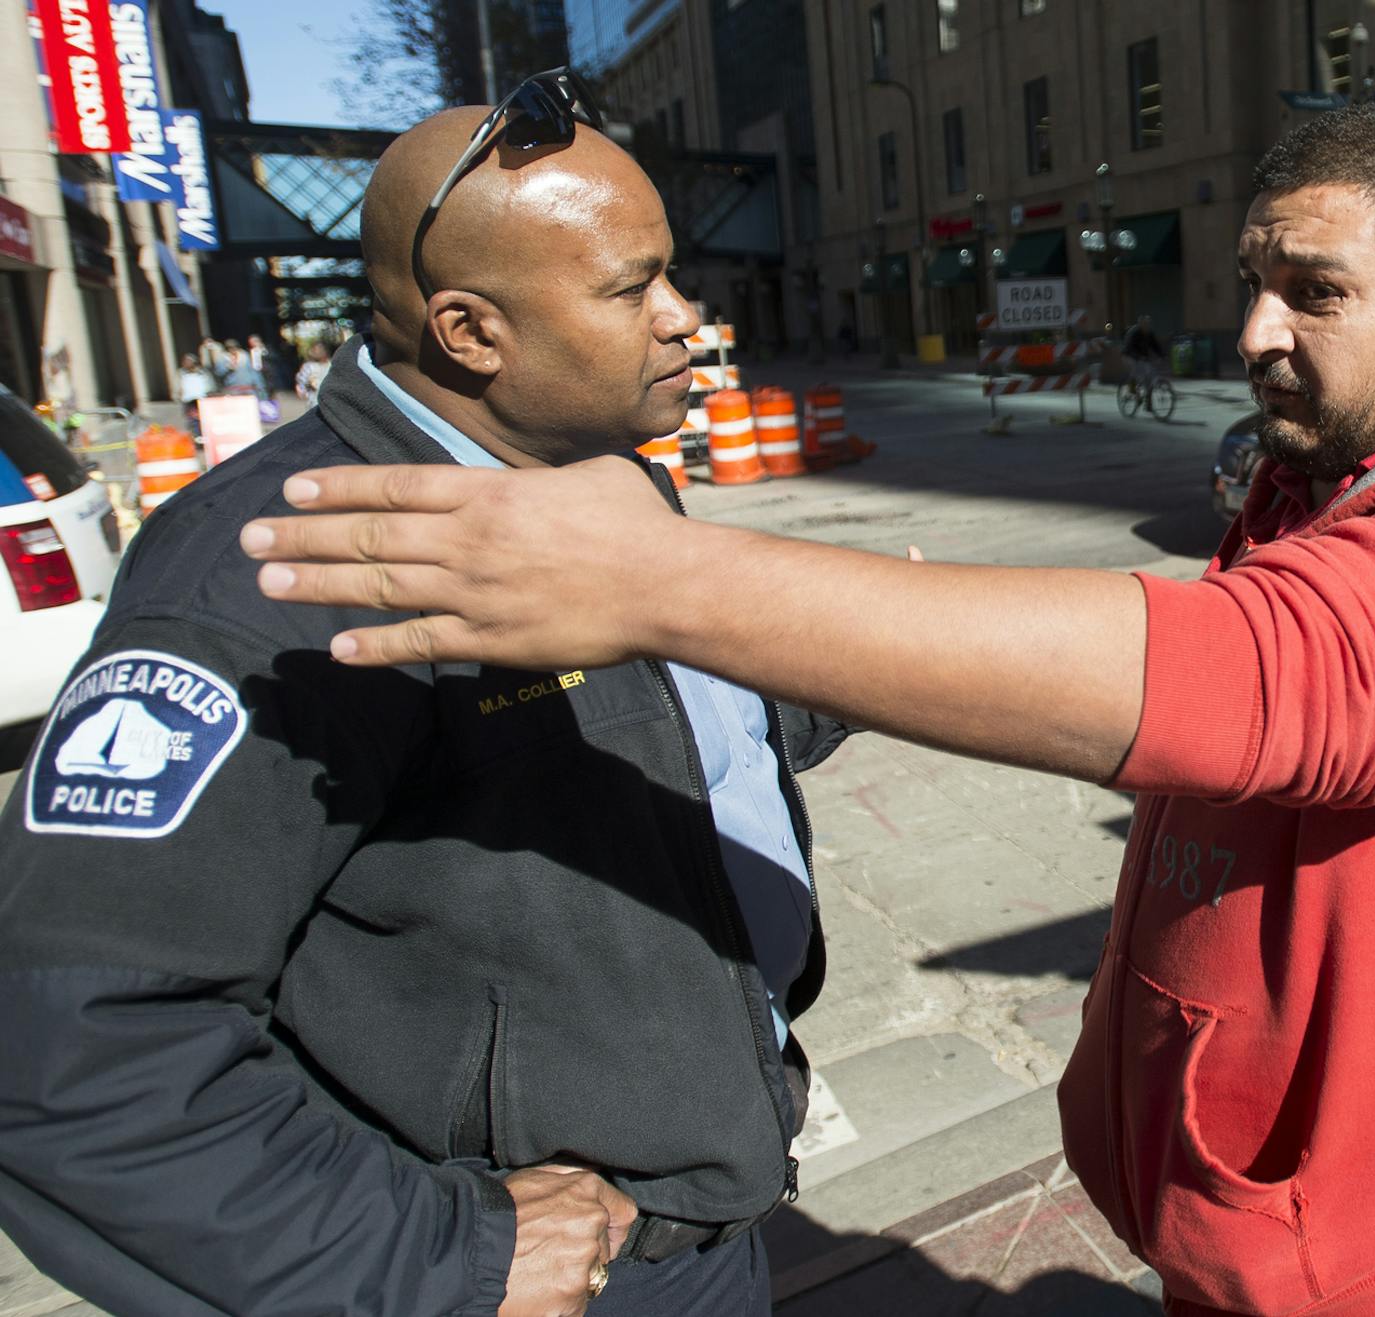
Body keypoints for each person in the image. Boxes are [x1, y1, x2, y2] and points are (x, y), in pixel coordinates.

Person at [244, 104, 1375, 1315]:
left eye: (1312, 291)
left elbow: (1254, 676)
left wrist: (660, 581)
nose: (1251, 330)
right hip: (1259, 1220)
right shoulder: (1324, 468)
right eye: (1250, 280)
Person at [0, 84, 854, 1317]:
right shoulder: (283, 572)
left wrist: (840, 676)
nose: (685, 322)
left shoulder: (600, 479)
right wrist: (446, 1254)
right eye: (633, 288)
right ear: (469, 332)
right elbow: (69, 1043)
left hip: (708, 1214)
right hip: (561, 1281)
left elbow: (660, 735)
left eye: (676, 278)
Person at [1121, 313, 1166, 388]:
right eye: (1145, 324)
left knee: (1148, 371)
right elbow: (1129, 347)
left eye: (1148, 324)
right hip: (1128, 355)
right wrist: (1138, 357)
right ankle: (1132, 389)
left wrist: (1162, 355)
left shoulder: (1149, 333)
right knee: (1136, 370)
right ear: (1140, 324)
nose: (1147, 326)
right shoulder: (1134, 333)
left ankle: (1148, 394)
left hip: (1142, 356)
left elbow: (1155, 346)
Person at [295, 339, 333, 406]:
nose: (316, 351)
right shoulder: (308, 367)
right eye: (314, 349)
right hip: (314, 403)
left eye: (319, 349)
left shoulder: (332, 365)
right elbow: (301, 384)